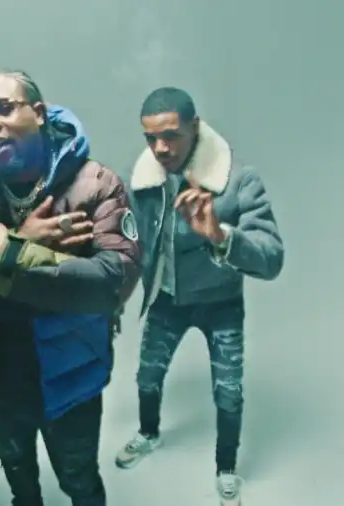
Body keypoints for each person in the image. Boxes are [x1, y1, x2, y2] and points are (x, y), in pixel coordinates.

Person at [0, 70, 141, 506]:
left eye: (3, 108)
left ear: (38, 113)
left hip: (71, 374)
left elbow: (112, 282)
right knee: (18, 474)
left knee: (79, 480)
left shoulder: (95, 183)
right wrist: (25, 245)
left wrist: (6, 254)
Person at [114, 87, 284, 505]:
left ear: (195, 126)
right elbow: (128, 244)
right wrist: (113, 299)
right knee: (147, 376)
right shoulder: (143, 181)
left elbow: (272, 258)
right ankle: (148, 433)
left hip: (221, 303)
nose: (160, 148)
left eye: (170, 135)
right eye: (151, 138)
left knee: (228, 391)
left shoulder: (238, 180)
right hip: (166, 299)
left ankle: (226, 468)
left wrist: (220, 235)